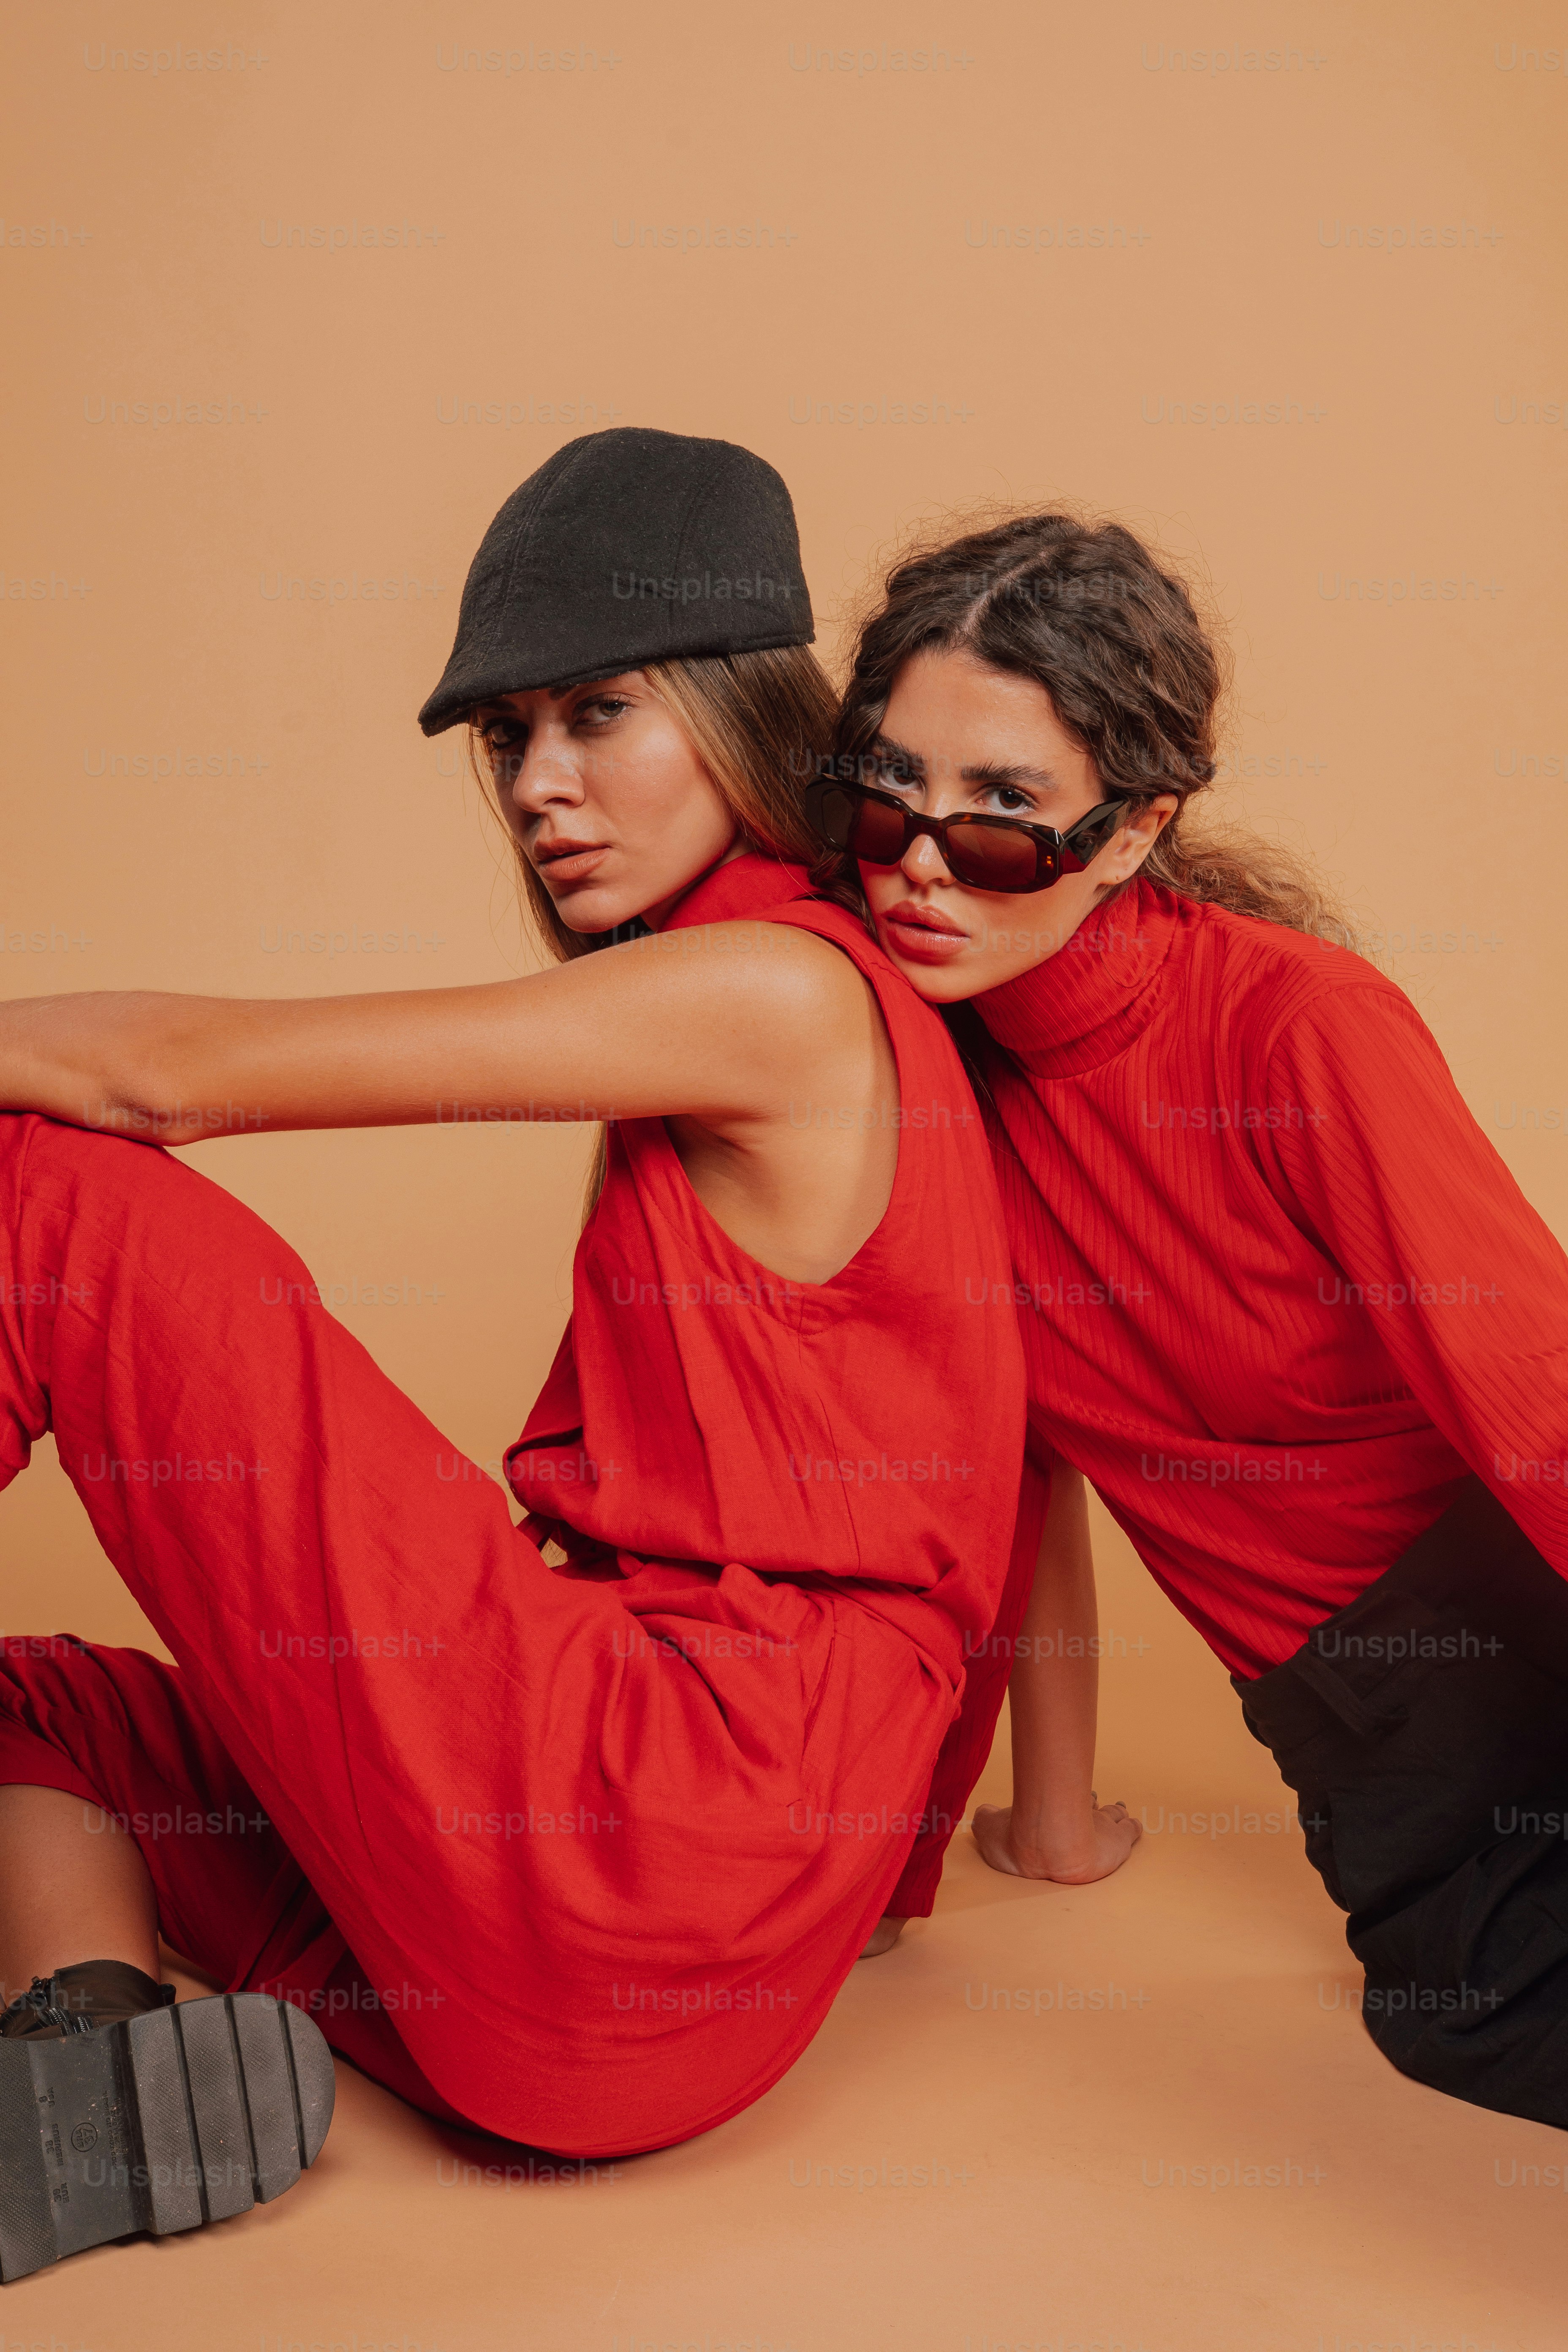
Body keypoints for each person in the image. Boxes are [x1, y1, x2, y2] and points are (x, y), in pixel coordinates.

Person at [0, 430, 1039, 2278]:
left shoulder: (783, 991)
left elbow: (161, 1082)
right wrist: (885, 1878)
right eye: (507, 739)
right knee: (40, 1714)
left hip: (633, 1837)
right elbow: (986, 1482)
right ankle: (81, 2056)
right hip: (660, 2003)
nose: (543, 787)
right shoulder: (837, 1028)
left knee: (50, 1195)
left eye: (598, 716)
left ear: (741, 713)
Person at [813, 509, 1568, 2130]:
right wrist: (1050, 1823)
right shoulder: (915, 1089)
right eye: (889, 791)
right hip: (1379, 1732)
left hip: (1520, 1621)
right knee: (1468, 2024)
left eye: (1007, 810)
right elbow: (1022, 1478)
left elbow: (1538, 1404)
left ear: (1138, 828)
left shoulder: (1297, 1025)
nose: (927, 863)